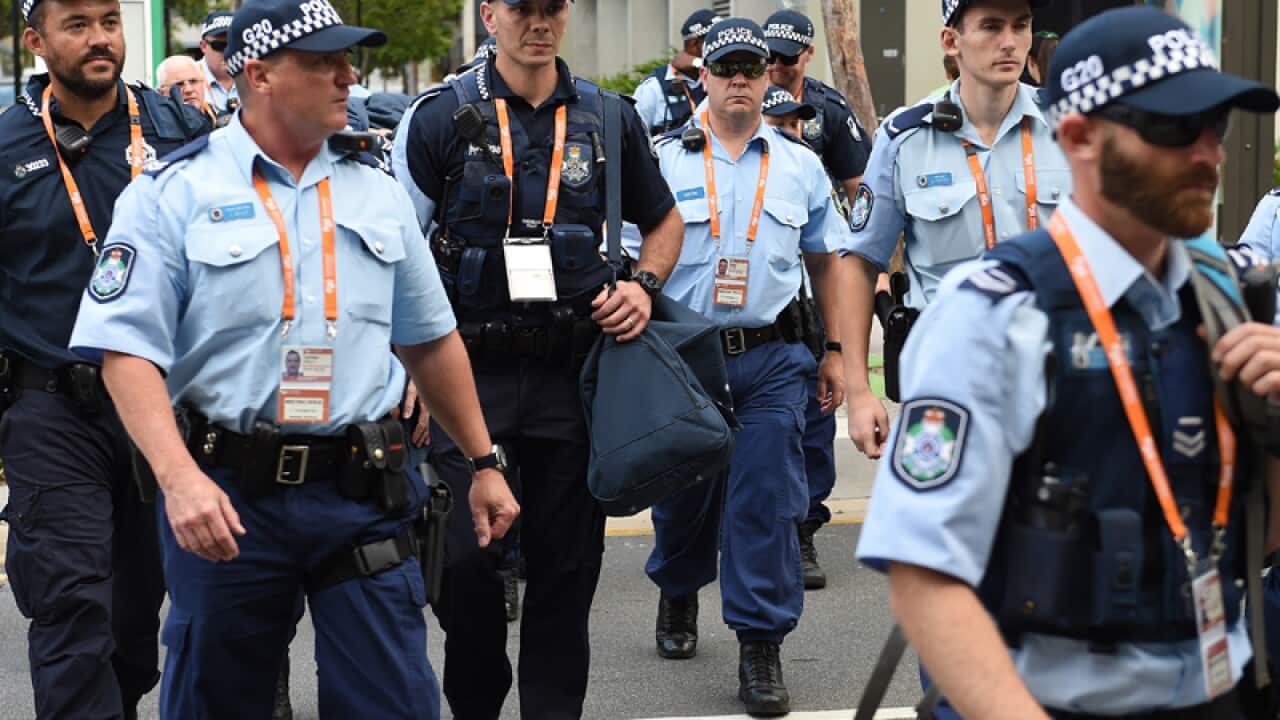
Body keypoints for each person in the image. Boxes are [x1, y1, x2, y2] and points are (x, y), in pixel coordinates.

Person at [64, 0, 522, 715]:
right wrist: (178, 480)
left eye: (348, 59)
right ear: (261, 74)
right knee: (217, 701)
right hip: (227, 495)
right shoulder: (173, 191)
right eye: (324, 61)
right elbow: (125, 351)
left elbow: (429, 338)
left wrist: (484, 461)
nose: (348, 76)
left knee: (393, 703)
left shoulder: (377, 191)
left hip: (361, 489)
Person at [855, 6, 1280, 718]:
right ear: (1079, 137)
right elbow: (923, 572)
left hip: (1219, 692)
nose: (1206, 153)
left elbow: (1257, 535)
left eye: (1216, 127)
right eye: (1174, 129)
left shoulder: (1226, 301)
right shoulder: (993, 316)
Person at [393, 0, 684, 717]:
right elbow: (396, 252)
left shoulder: (609, 118)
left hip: (571, 373)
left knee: (566, 572)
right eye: (521, 7)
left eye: (552, 7)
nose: (539, 21)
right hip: (468, 371)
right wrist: (409, 372)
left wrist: (644, 287)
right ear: (490, 14)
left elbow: (666, 221)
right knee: (465, 567)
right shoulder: (439, 117)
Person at [0, 0, 207, 716]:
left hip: (161, 410)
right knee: (70, 606)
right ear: (36, 41)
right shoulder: (5, 146)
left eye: (109, 21)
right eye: (78, 24)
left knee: (130, 620)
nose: (100, 39)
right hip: (52, 409)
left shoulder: (181, 130)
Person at [645, 18, 845, 716]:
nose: (737, 79)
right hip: (685, 360)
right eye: (724, 66)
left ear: (769, 78)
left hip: (771, 357)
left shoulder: (799, 165)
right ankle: (677, 587)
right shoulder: (663, 159)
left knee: (765, 501)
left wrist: (837, 351)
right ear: (702, 73)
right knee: (684, 502)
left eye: (750, 69)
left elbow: (827, 262)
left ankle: (761, 646)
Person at [843, 0, 1065, 462]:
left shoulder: (1069, 125)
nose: (1009, 42)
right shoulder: (905, 137)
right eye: (990, 27)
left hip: (1057, 371)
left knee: (1057, 523)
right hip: (947, 379)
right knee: (941, 523)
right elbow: (861, 263)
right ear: (951, 41)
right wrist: (860, 391)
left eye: (1020, 26)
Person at [761, 6, 870, 590]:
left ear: (806, 55)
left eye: (784, 58)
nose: (773, 68)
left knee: (814, 417)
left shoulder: (827, 111)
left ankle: (804, 528)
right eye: (766, 58)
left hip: (818, 281)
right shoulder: (740, 105)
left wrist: (868, 270)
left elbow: (862, 192)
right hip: (761, 292)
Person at [633, 8, 719, 135]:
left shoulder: (717, 77)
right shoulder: (653, 88)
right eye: (713, 40)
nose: (719, 45)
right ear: (694, 43)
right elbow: (634, 138)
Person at [197, 10, 238, 116]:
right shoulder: (186, 79)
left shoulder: (254, 77)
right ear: (203, 46)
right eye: (220, 45)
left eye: (233, 45)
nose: (228, 51)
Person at [157, 54, 217, 125]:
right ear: (161, 93)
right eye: (179, 84)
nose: (189, 90)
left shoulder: (218, 121)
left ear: (203, 83)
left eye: (193, 81)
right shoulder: (152, 129)